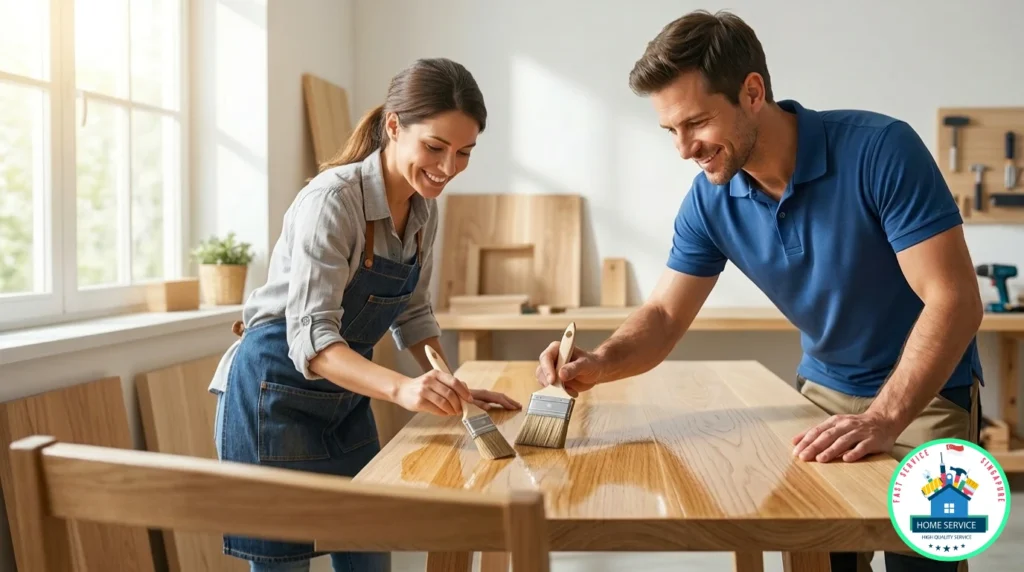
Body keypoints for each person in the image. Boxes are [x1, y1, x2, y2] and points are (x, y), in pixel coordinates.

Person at [536, 10, 982, 572]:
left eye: (696, 122)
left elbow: (956, 300)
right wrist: (599, 363)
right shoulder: (710, 200)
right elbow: (664, 315)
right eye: (670, 130)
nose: (684, 149)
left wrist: (885, 417)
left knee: (927, 559)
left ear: (752, 92)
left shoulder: (881, 149)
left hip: (930, 394)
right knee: (824, 562)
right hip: (823, 391)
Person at [208, 57, 522, 572]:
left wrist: (449, 383)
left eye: (464, 153)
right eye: (435, 148)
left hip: (345, 402)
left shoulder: (424, 209)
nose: (448, 169)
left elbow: (414, 313)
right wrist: (402, 390)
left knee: (371, 556)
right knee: (283, 566)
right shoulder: (332, 200)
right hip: (270, 399)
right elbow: (311, 337)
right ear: (394, 126)